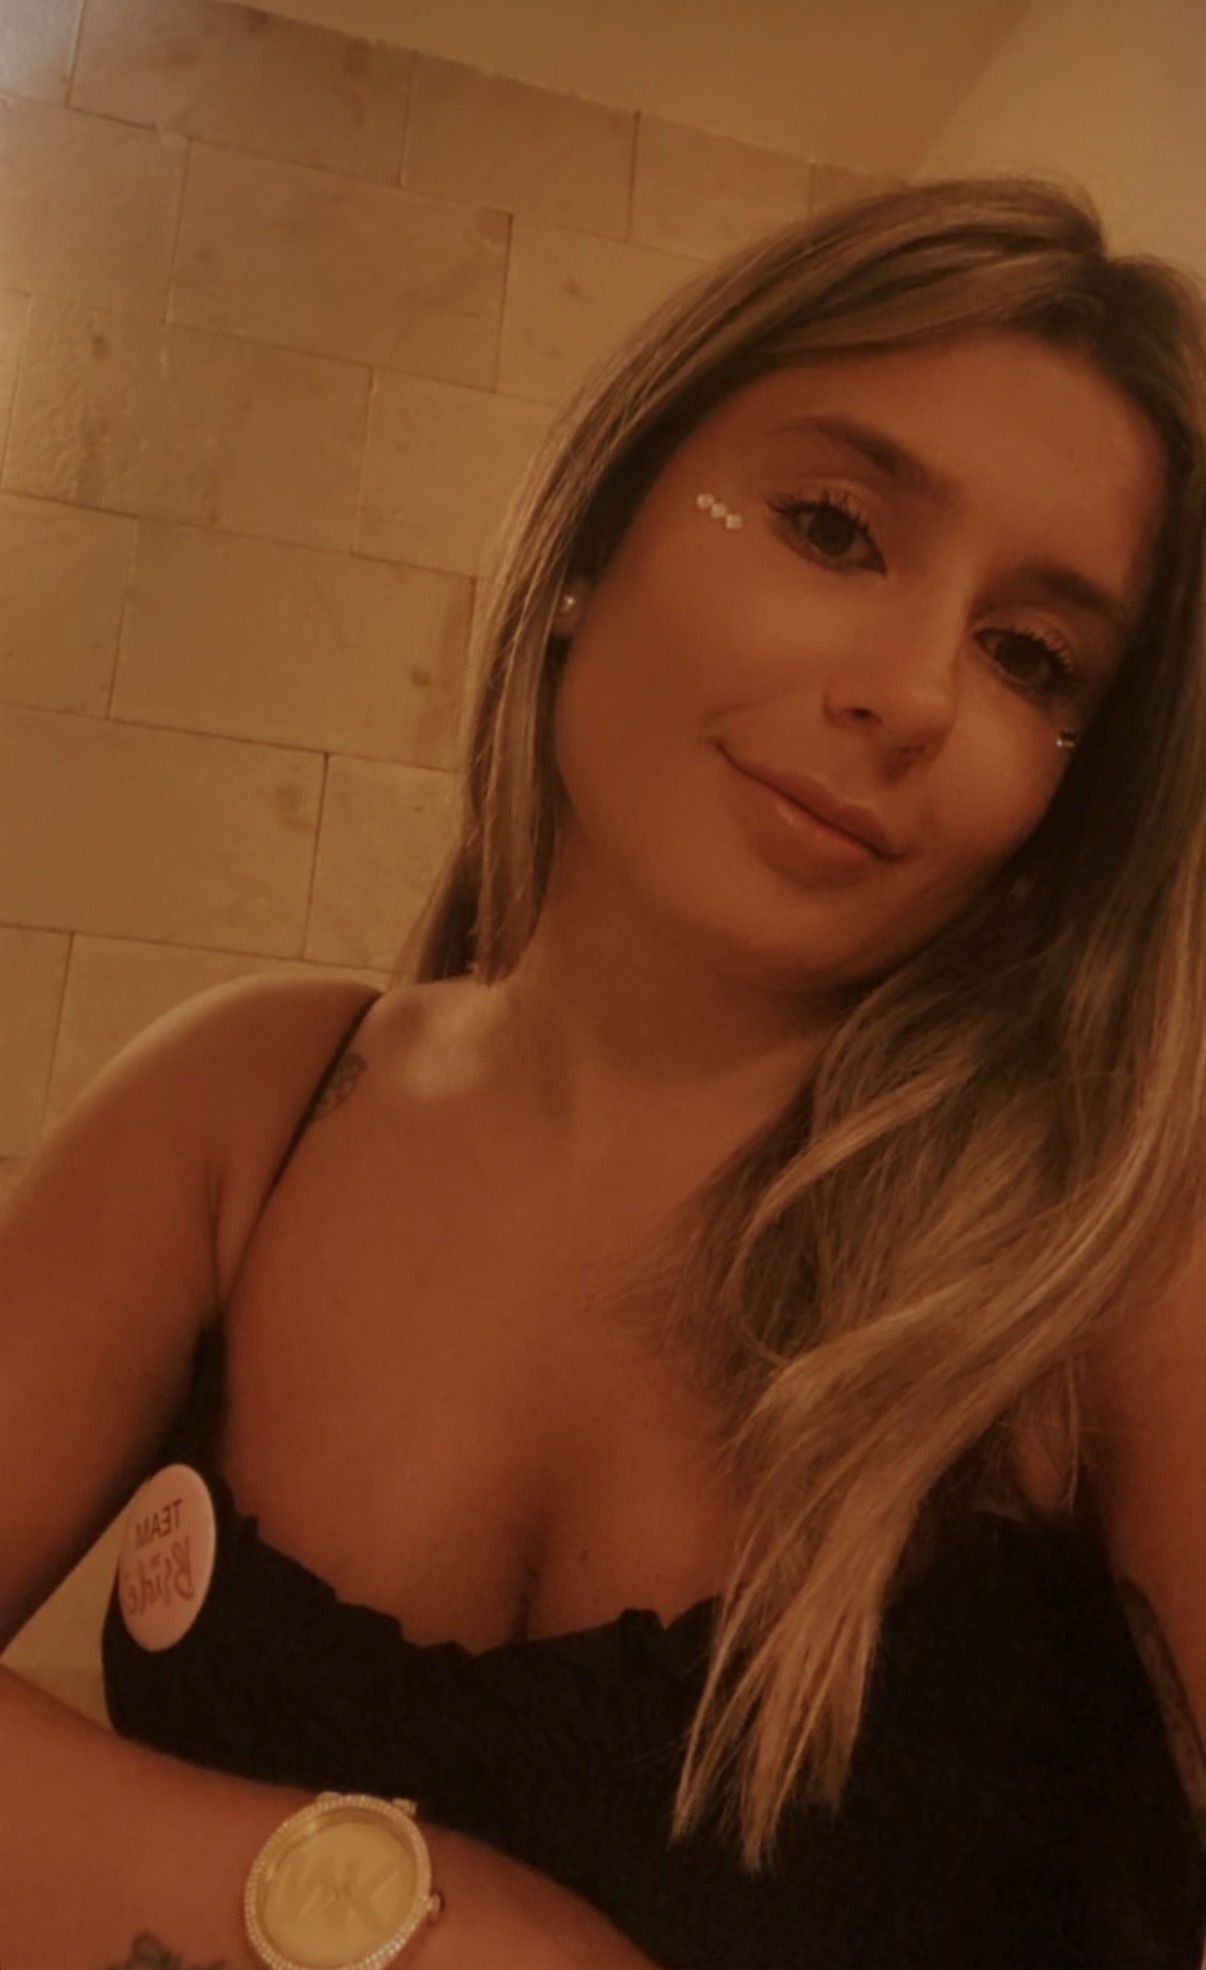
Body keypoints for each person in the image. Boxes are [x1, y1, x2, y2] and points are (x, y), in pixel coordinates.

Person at [2, 174, 1205, 1970]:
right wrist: (406, 1920)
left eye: (1028, 654)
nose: (912, 692)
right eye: (833, 527)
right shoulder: (247, 1106)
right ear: (589, 536)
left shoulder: (1107, 1259)